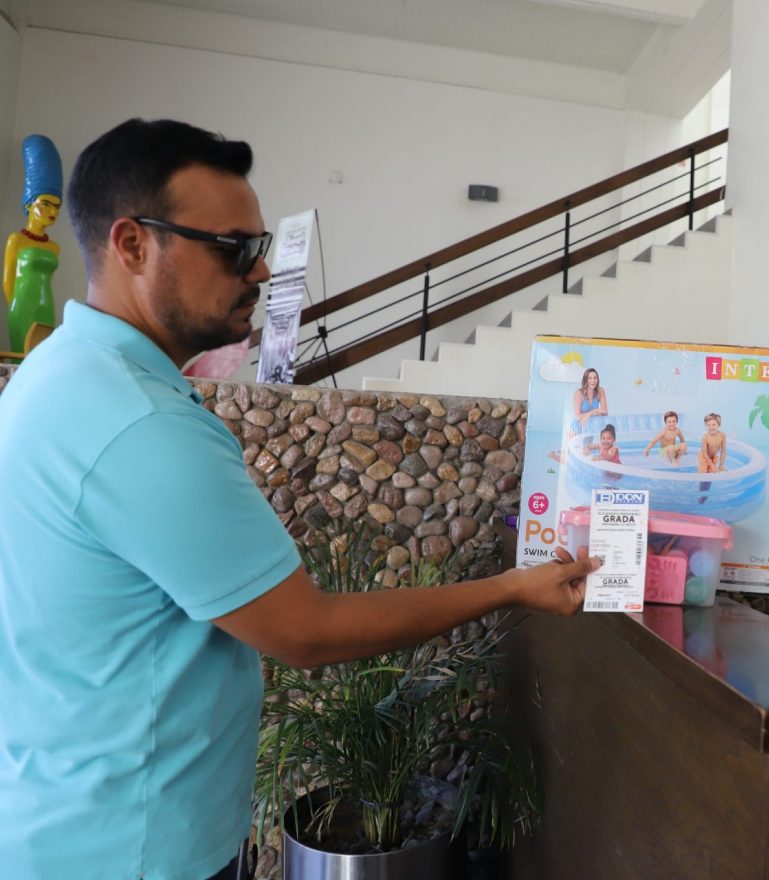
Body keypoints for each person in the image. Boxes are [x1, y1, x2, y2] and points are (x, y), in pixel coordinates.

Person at [0, 119, 600, 880]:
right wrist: (512, 587)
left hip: (59, 814)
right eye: (233, 248)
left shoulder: (56, 371)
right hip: (131, 849)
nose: (259, 272)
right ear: (132, 244)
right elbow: (305, 633)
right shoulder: (138, 421)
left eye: (260, 247)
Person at [4, 134, 63, 351]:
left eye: (57, 206)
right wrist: (16, 306)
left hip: (46, 306)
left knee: (42, 353)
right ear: (29, 205)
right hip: (21, 306)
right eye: (45, 204)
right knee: (22, 352)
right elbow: (7, 280)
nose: (52, 211)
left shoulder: (54, 247)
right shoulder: (17, 240)